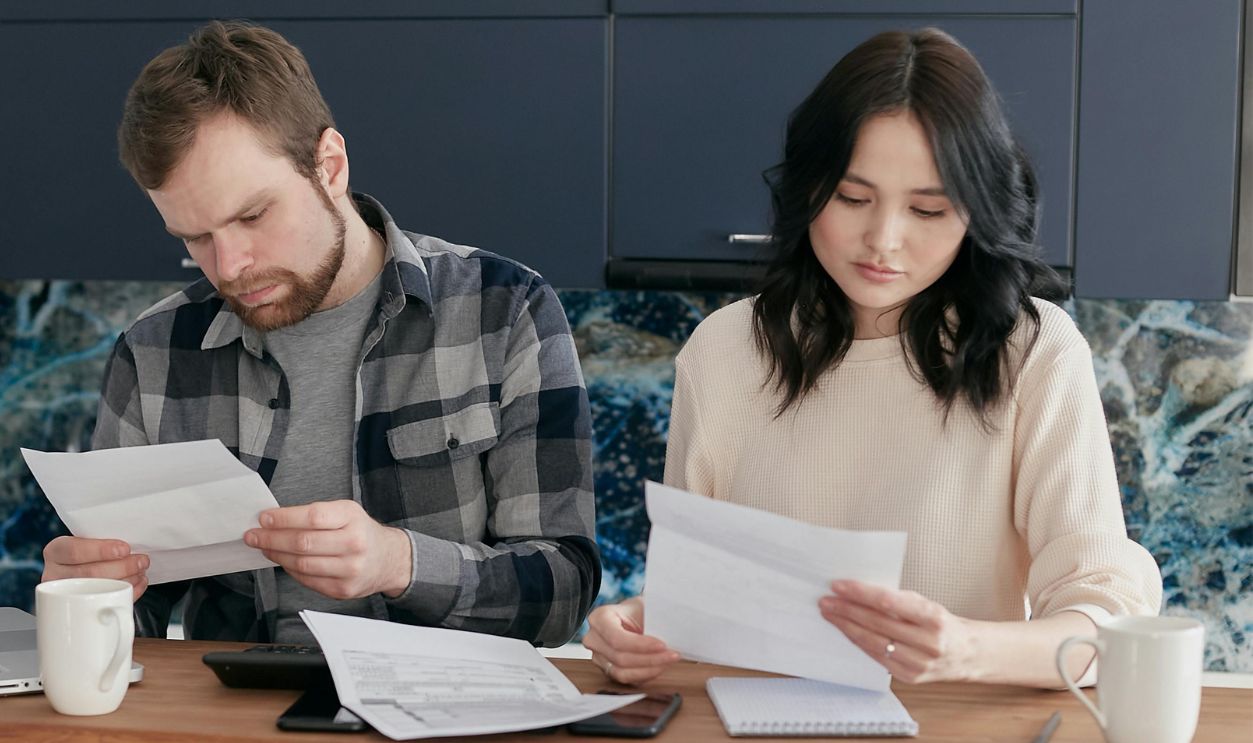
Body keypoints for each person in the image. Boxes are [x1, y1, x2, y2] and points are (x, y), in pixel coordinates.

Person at [584, 28, 1162, 688]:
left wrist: (965, 649)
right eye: (852, 198)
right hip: (758, 723)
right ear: (807, 190)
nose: (883, 239)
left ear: (976, 213)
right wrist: (638, 623)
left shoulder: (1033, 353)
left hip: (955, 727)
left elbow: (1109, 623)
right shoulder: (723, 351)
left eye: (928, 209)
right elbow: (702, 595)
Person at [39, 21, 600, 646]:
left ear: (329, 166)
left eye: (253, 215)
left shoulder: (505, 310)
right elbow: (131, 621)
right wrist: (87, 595)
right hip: (234, 700)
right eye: (195, 238)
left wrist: (400, 563)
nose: (229, 266)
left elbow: (564, 591)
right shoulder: (153, 352)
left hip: (442, 695)